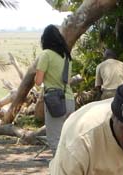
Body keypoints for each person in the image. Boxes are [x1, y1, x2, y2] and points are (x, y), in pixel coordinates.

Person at [35, 25, 76, 155]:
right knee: (67, 139)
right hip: (69, 100)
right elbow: (67, 81)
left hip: (55, 102)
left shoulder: (46, 54)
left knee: (55, 140)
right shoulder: (66, 56)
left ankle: (58, 173)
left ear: (45, 40)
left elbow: (38, 81)